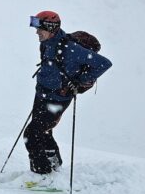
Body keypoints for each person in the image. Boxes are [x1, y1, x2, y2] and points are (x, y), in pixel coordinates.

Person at [25, 10, 112, 175]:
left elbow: (104, 63)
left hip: (58, 98)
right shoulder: (45, 43)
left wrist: (80, 81)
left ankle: (42, 174)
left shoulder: (70, 48)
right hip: (42, 94)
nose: (36, 32)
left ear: (50, 27)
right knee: (43, 132)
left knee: (31, 134)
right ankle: (54, 166)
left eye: (39, 28)